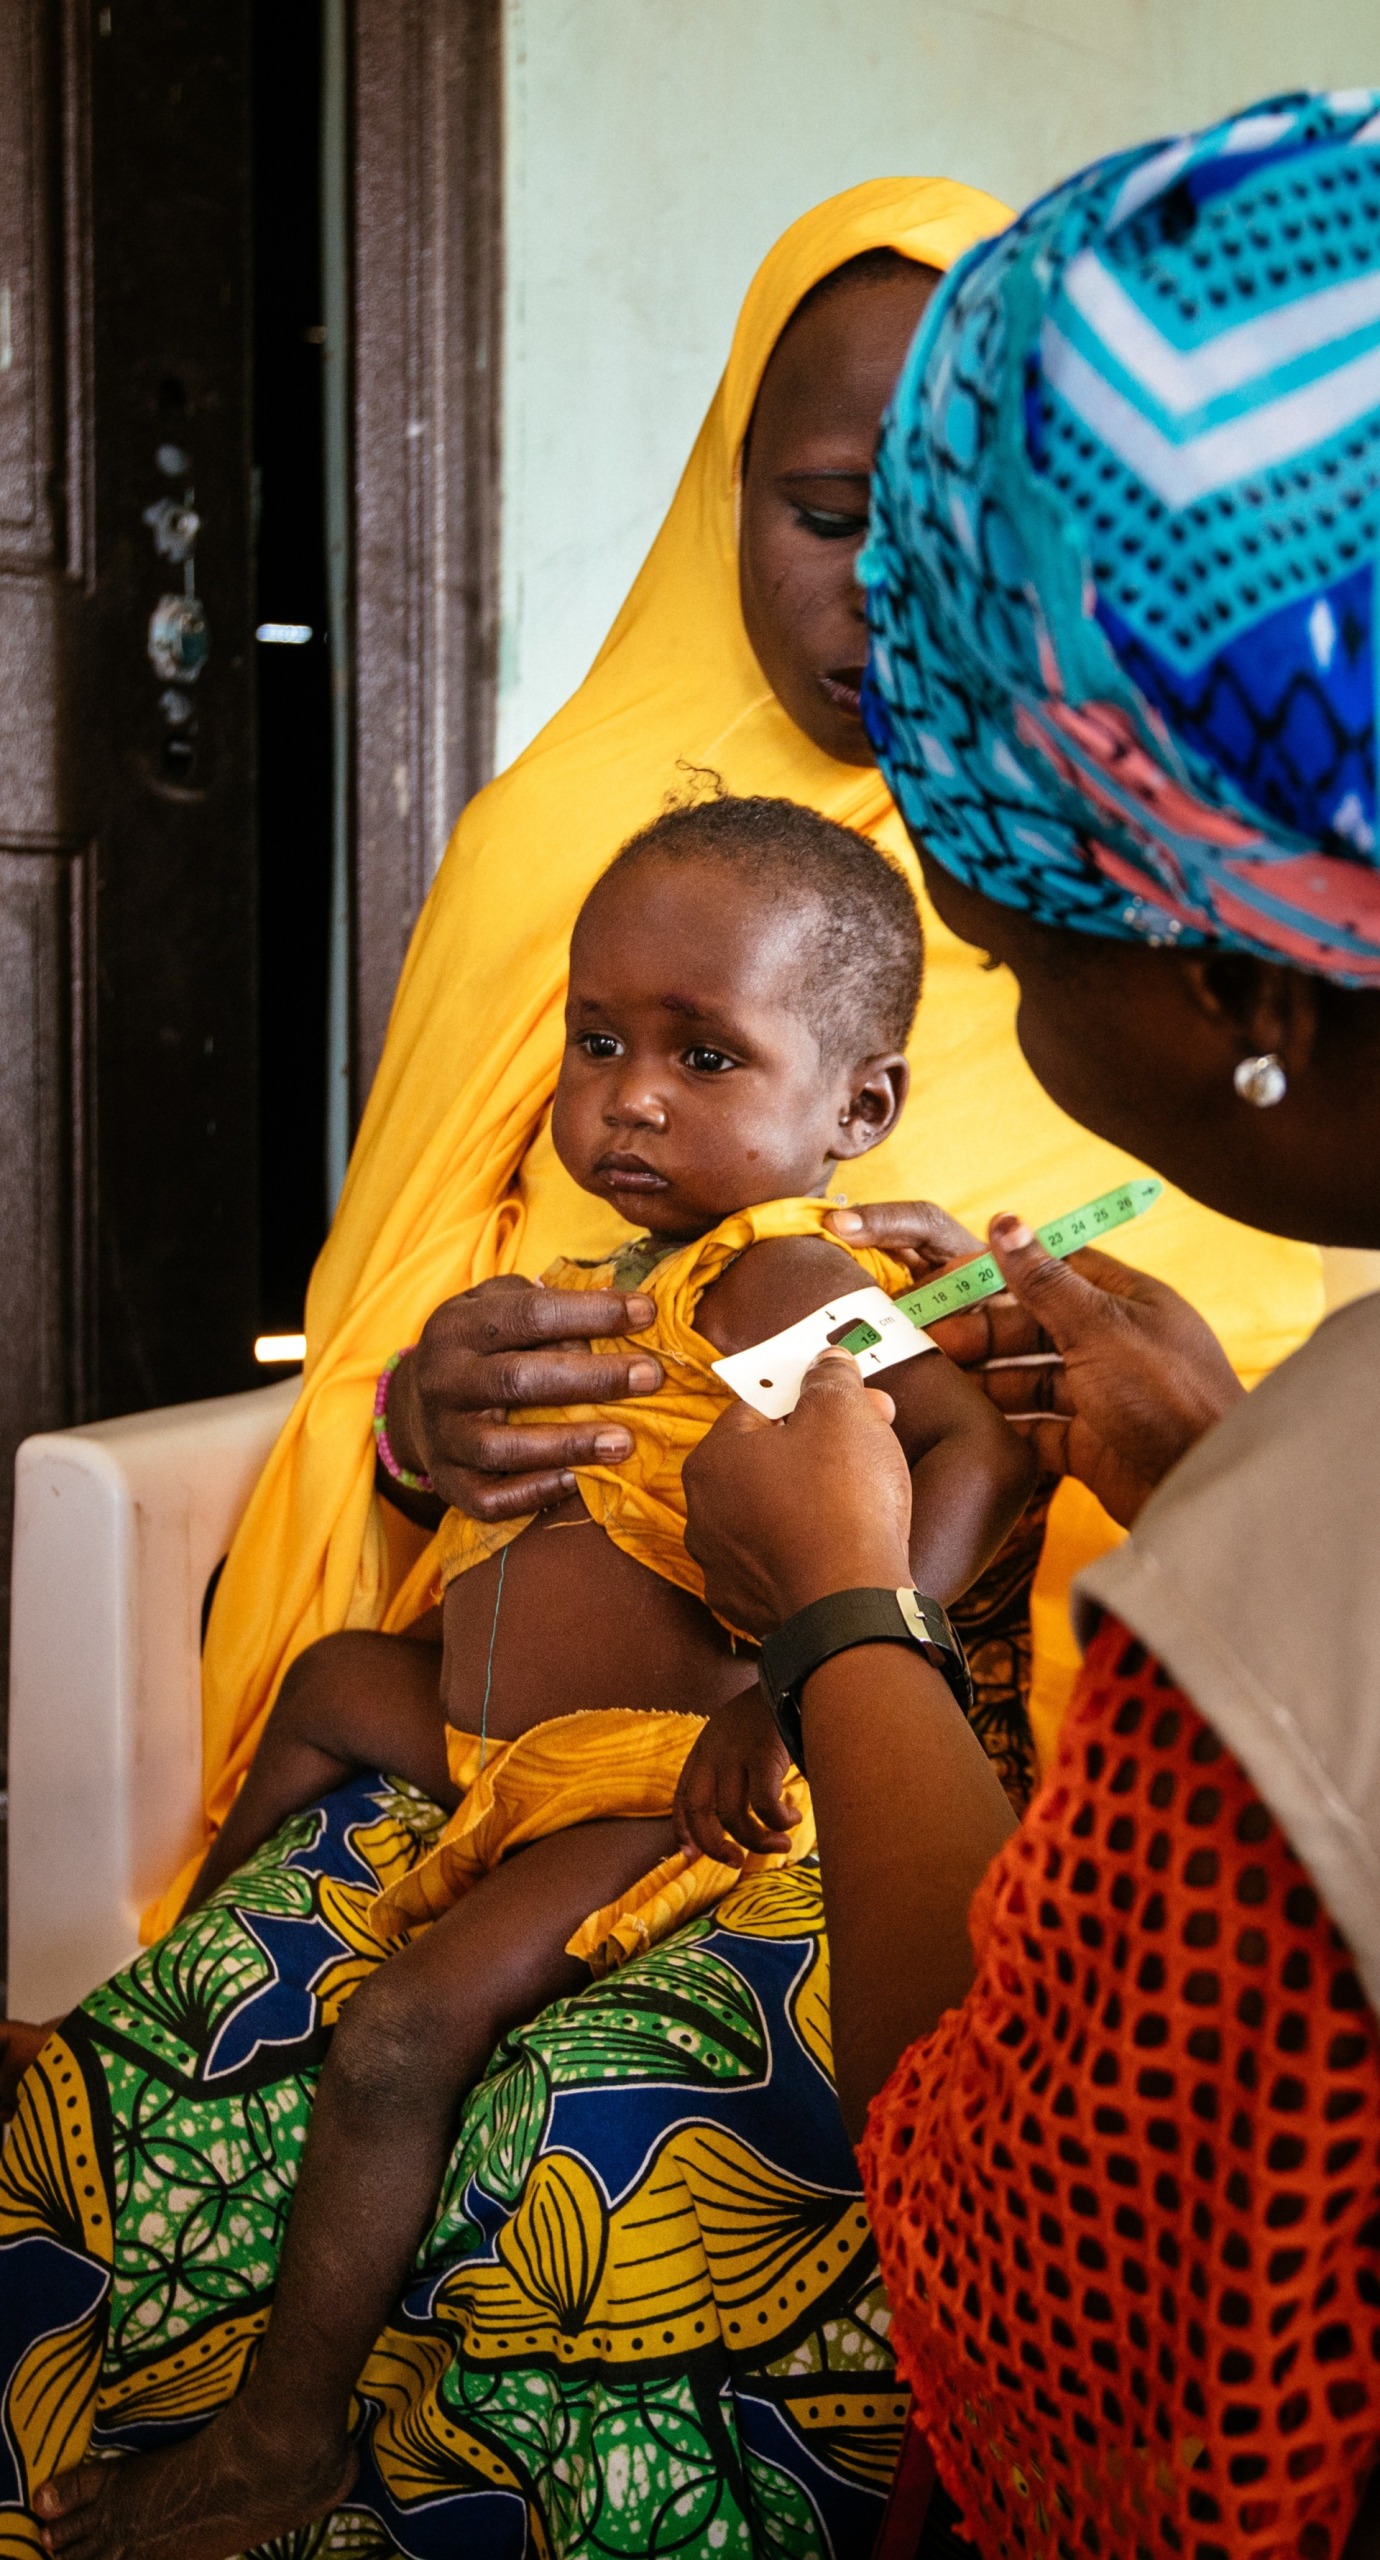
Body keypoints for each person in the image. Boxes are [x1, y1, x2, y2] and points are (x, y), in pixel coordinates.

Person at [153, 179, 1322, 1946]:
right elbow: (396, 1325)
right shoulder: (561, 855)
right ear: (730, 496)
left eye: (953, 527)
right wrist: (419, 1420)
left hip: (1003, 1768)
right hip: (517, 1705)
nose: (889, 590)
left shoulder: (1167, 889)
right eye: (832, 514)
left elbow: (1267, 1418)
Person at [19, 791, 1035, 2560]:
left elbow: (968, 1454)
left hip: (640, 1776)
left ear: (853, 1109)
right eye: (597, 1040)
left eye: (705, 1054)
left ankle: (282, 2440)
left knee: (405, 2029)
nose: (629, 1093)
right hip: (502, 1750)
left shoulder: (794, 1277)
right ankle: (204, 1938)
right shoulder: (604, 1273)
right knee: (335, 1673)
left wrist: (808, 1680)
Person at [658, 94, 1380, 2559]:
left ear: (1219, 972)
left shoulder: (1297, 1599)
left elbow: (1027, 2307)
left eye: (1002, 930)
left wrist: (843, 1614)